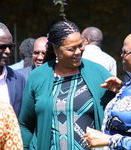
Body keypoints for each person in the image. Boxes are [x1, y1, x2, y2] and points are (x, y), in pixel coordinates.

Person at [19, 20, 116, 150]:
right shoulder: (38, 77)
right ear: (56, 49)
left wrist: (120, 92)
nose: (78, 52)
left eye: (80, 45)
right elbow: (25, 124)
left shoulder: (98, 73)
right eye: (71, 49)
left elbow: (118, 117)